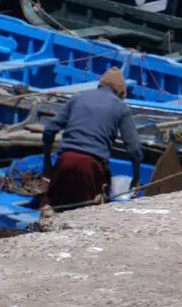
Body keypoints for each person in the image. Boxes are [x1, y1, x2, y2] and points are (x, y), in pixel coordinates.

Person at [42, 68, 142, 210]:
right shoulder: (121, 108)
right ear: (121, 93)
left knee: (53, 205)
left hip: (64, 161)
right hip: (91, 168)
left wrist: (47, 163)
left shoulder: (77, 98)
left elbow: (49, 129)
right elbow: (134, 150)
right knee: (91, 210)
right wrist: (136, 178)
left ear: (100, 85)